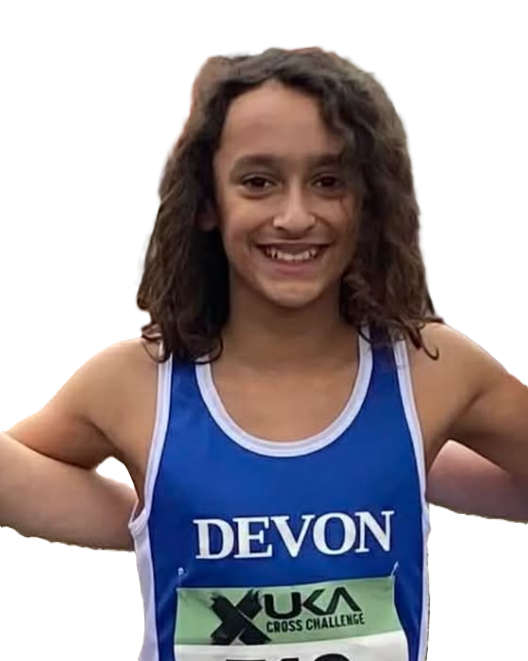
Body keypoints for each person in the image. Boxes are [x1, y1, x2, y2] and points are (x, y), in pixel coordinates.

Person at [1, 47, 527, 661]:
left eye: (329, 181)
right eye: (258, 182)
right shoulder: (133, 385)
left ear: (369, 200)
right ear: (206, 201)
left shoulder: (430, 372)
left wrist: (415, 462)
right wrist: (153, 521)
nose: (295, 216)